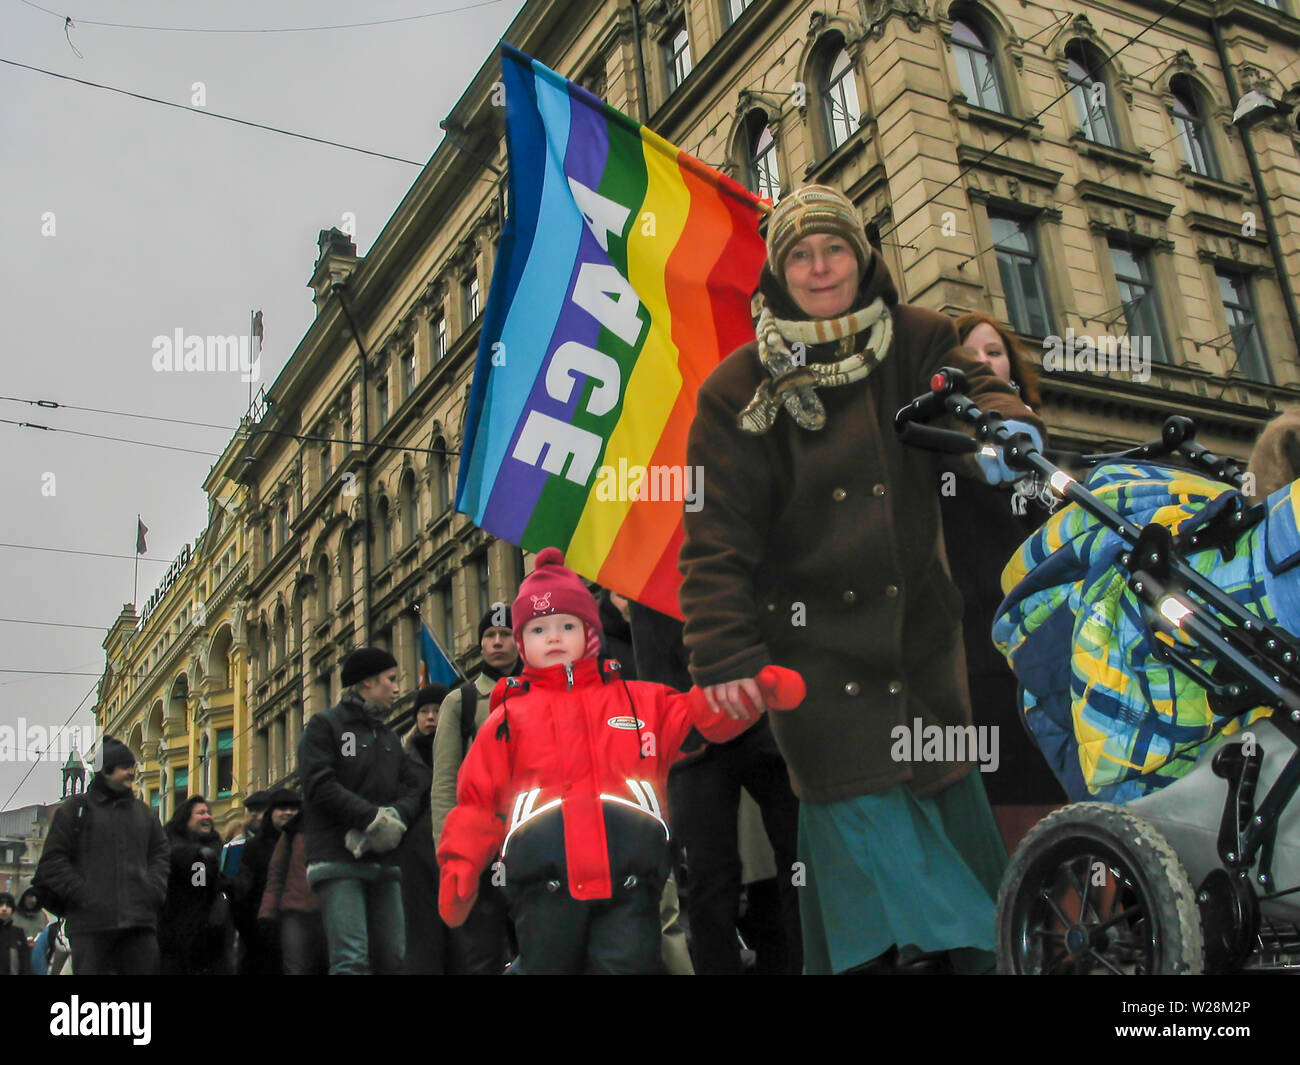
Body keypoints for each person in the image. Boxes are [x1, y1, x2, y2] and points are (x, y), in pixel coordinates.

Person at [678, 184, 1046, 975]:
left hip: (920, 648)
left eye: (835, 249)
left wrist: (1003, 421)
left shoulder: (915, 338)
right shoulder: (735, 390)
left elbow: (970, 386)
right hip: (817, 665)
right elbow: (713, 540)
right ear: (778, 271)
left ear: (863, 255)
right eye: (801, 255)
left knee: (957, 843)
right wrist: (723, 655)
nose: (820, 268)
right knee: (883, 869)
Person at [437, 547, 807, 974]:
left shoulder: (635, 700)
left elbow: (696, 715)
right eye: (539, 630)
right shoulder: (505, 721)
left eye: (567, 626)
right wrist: (460, 863)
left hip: (630, 888)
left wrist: (754, 691)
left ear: (590, 633)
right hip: (544, 892)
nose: (554, 638)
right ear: (523, 643)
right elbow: (476, 802)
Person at [942, 312, 1066, 854]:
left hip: (1058, 647)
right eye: (968, 355)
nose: (982, 363)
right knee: (1017, 822)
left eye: (992, 353)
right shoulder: (939, 453)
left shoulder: (1043, 453)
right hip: (986, 653)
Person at [298, 647, 426, 975]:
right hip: (337, 859)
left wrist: (394, 817)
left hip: (384, 862)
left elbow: (414, 787)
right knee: (351, 958)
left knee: (394, 958)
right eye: (391, 679)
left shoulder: (388, 737)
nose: (398, 688)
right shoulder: (324, 726)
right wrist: (370, 819)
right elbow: (319, 784)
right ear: (367, 683)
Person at [430, 608, 523, 974]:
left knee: (542, 948)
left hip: (534, 837)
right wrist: (447, 849)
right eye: (489, 635)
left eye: (505, 633)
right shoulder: (461, 702)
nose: (497, 642)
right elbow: (444, 780)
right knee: (482, 952)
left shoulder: (541, 691)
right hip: (481, 846)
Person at [31, 736, 168, 975]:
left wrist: (153, 889)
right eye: (125, 767)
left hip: (139, 924)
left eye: (132, 767)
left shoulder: (144, 814)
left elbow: (160, 855)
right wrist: (84, 895)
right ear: (105, 770)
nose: (131, 773)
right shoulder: (75, 811)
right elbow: (53, 861)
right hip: (91, 926)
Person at [399, 683, 449, 974]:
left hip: (455, 847)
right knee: (421, 932)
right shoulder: (403, 758)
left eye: (437, 711)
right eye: (424, 712)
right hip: (415, 856)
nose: (431, 717)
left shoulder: (462, 748)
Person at [159, 795, 234, 975]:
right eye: (200, 813)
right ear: (186, 818)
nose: (207, 816)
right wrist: (198, 855)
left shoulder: (217, 845)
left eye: (208, 812)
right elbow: (197, 880)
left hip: (213, 937)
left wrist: (231, 881)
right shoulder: (170, 844)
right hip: (178, 937)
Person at [232, 786, 300, 974]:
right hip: (261, 932)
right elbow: (240, 894)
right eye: (282, 808)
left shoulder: (308, 843)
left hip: (300, 925)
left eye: (293, 808)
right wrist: (252, 930)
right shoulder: (248, 848)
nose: (288, 813)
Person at [258, 806, 328, 975]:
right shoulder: (293, 830)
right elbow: (276, 873)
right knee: (296, 968)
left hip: (331, 909)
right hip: (296, 911)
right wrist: (267, 913)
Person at [0, 891, 31, 975]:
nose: (4, 908)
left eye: (8, 906)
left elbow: (25, 962)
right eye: (1, 905)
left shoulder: (18, 933)